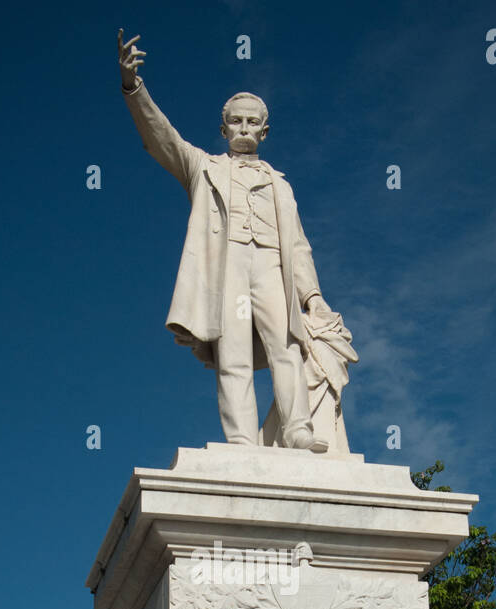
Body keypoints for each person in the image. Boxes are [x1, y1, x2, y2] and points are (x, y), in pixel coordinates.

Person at [118, 29, 342, 453]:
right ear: (222, 128)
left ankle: (298, 431)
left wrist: (312, 297)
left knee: (287, 346)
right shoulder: (204, 167)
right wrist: (134, 87)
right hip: (228, 265)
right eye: (236, 121)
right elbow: (160, 137)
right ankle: (241, 441)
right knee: (233, 353)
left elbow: (298, 247)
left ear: (265, 131)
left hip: (271, 267)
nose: (244, 128)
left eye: (252, 122)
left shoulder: (281, 186)